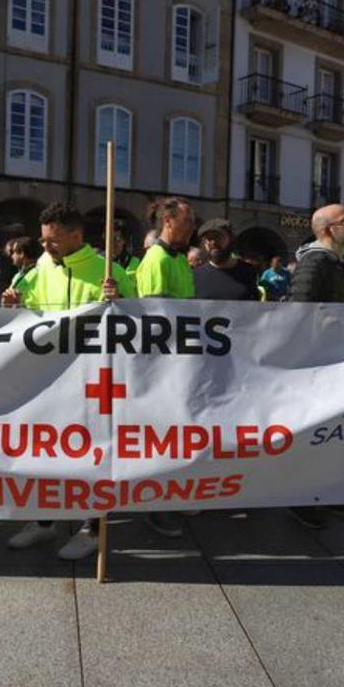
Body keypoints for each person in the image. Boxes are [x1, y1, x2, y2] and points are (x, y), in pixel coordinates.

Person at [3, 202, 133, 559]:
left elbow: (141, 323)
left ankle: (93, 528)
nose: (45, 248)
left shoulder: (107, 271)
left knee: (93, 453)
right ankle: (45, 522)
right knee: (45, 449)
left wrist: (120, 302)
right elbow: (24, 308)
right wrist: (13, 301)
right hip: (49, 379)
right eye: (43, 241)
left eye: (53, 241)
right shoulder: (41, 266)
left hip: (93, 382)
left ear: (76, 236)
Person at [284, 204, 344, 529]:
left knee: (332, 433)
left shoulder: (338, 262)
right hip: (317, 364)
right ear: (329, 229)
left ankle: (327, 491)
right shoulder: (315, 262)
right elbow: (298, 312)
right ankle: (303, 498)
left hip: (336, 360)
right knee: (315, 435)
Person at [133, 196, 197, 538]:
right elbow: (159, 316)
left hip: (180, 360)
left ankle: (171, 496)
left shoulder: (180, 259)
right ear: (169, 222)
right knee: (162, 436)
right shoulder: (157, 258)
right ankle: (155, 507)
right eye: (188, 221)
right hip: (163, 363)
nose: (193, 227)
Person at [193, 219, 260, 301]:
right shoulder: (195, 275)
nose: (213, 242)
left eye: (218, 236)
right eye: (209, 239)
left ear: (230, 239)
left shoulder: (249, 272)